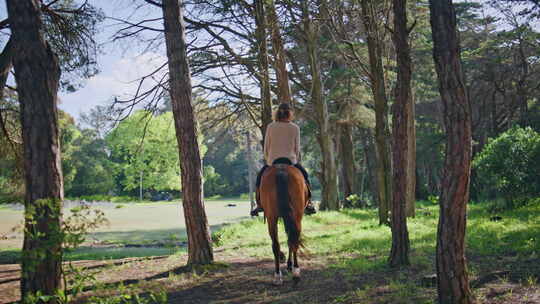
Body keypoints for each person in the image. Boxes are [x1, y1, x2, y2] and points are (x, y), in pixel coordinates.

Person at [250, 103, 316, 216]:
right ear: (290, 113)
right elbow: (297, 149)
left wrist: (268, 160)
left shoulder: (271, 126)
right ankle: (309, 203)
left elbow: (266, 147)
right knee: (305, 176)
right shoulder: (295, 128)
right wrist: (295, 160)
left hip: (273, 161)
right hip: (291, 161)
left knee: (260, 178)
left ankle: (259, 204)